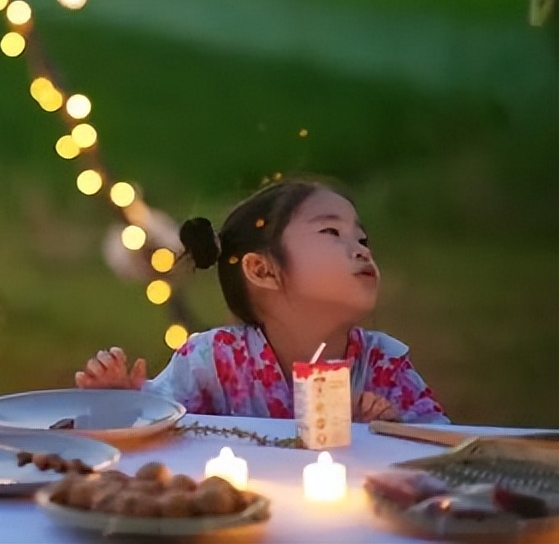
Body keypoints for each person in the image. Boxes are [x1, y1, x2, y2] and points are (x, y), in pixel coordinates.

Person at [75, 179, 449, 424]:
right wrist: (119, 402)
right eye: (331, 232)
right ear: (261, 270)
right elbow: (156, 419)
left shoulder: (382, 364)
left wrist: (391, 429)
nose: (360, 251)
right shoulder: (212, 360)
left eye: (362, 239)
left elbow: (446, 444)